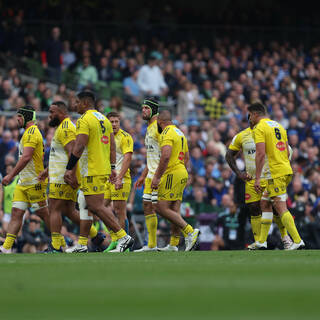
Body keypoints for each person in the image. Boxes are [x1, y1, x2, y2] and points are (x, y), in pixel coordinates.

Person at [63, 91, 133, 253]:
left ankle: (123, 237)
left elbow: (79, 146)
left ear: (85, 103)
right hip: (102, 168)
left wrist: (69, 168)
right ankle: (82, 244)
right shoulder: (104, 119)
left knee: (96, 206)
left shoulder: (84, 120)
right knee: (87, 206)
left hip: (92, 169)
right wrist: (113, 167)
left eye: (77, 102)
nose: (75, 105)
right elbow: (112, 147)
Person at [38, 101, 104, 253]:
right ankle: (95, 235)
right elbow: (60, 154)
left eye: (52, 112)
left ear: (61, 113)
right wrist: (47, 170)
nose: (49, 115)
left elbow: (72, 151)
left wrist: (71, 174)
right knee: (68, 211)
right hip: (62, 175)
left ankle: (55, 246)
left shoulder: (66, 128)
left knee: (54, 208)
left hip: (63, 177)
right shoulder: (63, 127)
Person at [226, 116, 293, 250]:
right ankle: (259, 242)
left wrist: (281, 167)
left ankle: (286, 238)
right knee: (254, 207)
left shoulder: (268, 132)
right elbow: (229, 155)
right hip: (251, 179)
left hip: (269, 176)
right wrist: (239, 173)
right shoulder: (242, 136)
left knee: (276, 207)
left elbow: (287, 150)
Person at [248, 101, 304, 250]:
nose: (249, 119)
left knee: (280, 207)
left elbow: (260, 154)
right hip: (285, 169)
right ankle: (261, 241)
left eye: (249, 115)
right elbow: (287, 151)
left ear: (255, 114)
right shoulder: (279, 126)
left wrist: (258, 178)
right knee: (265, 203)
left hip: (275, 173)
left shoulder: (259, 128)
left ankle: (297, 240)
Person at [1, 106, 50, 254]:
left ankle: (59, 242)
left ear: (27, 118)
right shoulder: (28, 133)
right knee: (16, 212)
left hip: (34, 182)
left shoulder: (32, 133)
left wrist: (11, 175)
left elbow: (26, 157)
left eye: (20, 117)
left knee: (43, 214)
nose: (17, 119)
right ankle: (7, 247)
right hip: (24, 182)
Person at [151, 110, 200, 251]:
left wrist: (157, 177)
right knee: (174, 209)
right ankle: (173, 244)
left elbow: (165, 156)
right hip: (181, 171)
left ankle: (190, 231)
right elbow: (186, 157)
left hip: (172, 173)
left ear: (160, 122)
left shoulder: (166, 133)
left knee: (160, 207)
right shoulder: (179, 133)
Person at [103, 111, 133, 252]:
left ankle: (123, 244)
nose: (114, 124)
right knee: (100, 209)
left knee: (120, 211)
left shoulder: (125, 137)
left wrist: (120, 177)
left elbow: (128, 158)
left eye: (116, 121)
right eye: (111, 122)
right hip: (107, 179)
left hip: (121, 178)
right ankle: (115, 239)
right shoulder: (104, 138)